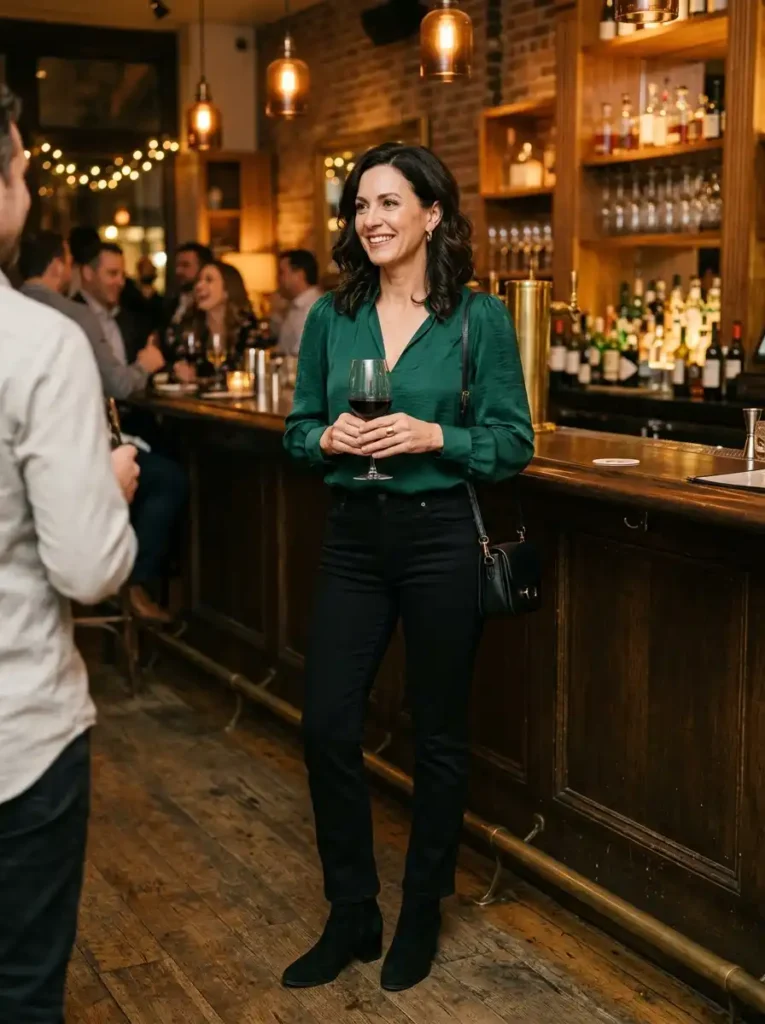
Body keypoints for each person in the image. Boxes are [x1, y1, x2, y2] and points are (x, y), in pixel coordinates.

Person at [283, 143, 534, 992]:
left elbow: (511, 444)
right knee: (324, 725)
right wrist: (325, 437)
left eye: (389, 203)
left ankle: (421, 907)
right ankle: (352, 912)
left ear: (432, 214)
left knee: (437, 737)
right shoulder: (331, 315)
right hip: (353, 535)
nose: (372, 219)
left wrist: (437, 436)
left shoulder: (478, 320)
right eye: (360, 206)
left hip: (436, 538)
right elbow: (297, 428)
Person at [0, 84, 138, 1022]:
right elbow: (87, 568)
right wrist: (109, 487)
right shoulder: (38, 343)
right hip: (17, 737)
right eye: (17, 167)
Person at [70, 239, 188, 624]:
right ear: (86, 273)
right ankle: (135, 583)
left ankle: (177, 591)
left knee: (180, 458)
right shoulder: (73, 319)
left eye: (122, 273)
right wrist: (145, 367)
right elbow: (121, 381)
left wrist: (164, 369)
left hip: (131, 426)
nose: (121, 281)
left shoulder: (128, 317)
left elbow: (143, 371)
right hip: (91, 439)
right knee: (168, 478)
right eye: (112, 273)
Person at [18, 230, 165, 399]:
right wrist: (144, 366)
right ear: (57, 266)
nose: (121, 282)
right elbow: (118, 385)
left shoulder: (8, 309)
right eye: (70, 263)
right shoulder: (76, 315)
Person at [180, 259, 256, 363]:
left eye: (209, 280)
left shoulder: (248, 328)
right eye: (198, 280)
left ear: (227, 290)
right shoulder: (188, 325)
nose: (198, 286)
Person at [275, 249, 322, 356]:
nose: (278, 279)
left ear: (299, 275)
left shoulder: (312, 308)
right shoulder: (297, 305)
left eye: (282, 273)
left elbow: (300, 355)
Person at [166, 240, 213, 327]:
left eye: (185, 265)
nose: (178, 271)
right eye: (177, 266)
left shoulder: (211, 307)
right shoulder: (170, 305)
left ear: (203, 268)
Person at [121, 254, 165, 337]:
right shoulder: (129, 293)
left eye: (151, 268)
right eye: (146, 268)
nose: (149, 270)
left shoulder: (159, 300)